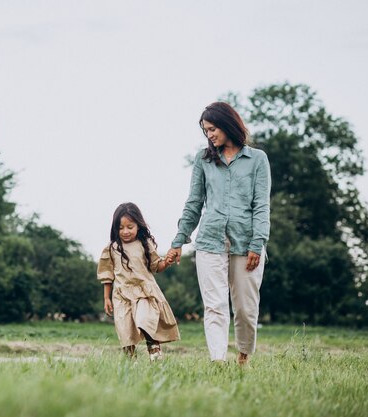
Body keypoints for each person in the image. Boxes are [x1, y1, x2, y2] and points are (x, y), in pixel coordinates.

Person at [168, 102, 271, 365]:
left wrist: (257, 243)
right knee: (214, 306)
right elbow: (194, 202)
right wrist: (179, 240)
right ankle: (218, 361)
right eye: (205, 131)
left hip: (246, 243)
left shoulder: (257, 159)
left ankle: (243, 358)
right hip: (209, 241)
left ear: (228, 124)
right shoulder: (203, 160)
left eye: (212, 129)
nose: (209, 135)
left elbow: (261, 205)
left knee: (246, 309)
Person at [97, 202, 180, 361]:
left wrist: (167, 261)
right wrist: (107, 298)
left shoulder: (145, 243)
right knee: (125, 330)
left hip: (144, 293)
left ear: (138, 226)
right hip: (122, 296)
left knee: (145, 321)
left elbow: (157, 266)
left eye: (130, 227)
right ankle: (130, 362)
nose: (125, 231)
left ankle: (155, 353)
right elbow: (107, 275)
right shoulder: (112, 248)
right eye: (121, 228)